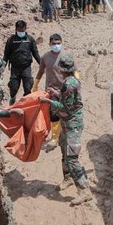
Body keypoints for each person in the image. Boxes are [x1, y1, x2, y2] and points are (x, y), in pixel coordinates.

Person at [39, 54, 92, 205]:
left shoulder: (69, 84)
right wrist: (55, 93)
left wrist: (48, 101)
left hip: (72, 125)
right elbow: (65, 98)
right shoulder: (70, 81)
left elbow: (64, 108)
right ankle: (68, 177)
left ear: (61, 70)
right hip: (67, 123)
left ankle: (84, 190)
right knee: (64, 149)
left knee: (72, 158)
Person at [34, 33, 68, 152]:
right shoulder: (45, 57)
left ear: (61, 43)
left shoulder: (66, 56)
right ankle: (54, 137)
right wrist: (35, 84)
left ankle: (64, 134)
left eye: (58, 43)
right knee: (53, 113)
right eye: (54, 44)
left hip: (65, 89)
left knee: (66, 112)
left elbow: (74, 71)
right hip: (51, 90)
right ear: (49, 44)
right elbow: (40, 71)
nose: (56, 46)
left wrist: (76, 83)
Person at [3, 20, 41, 105]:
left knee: (28, 87)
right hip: (15, 68)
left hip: (26, 67)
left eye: (23, 29)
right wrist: (2, 67)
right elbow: (6, 55)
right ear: (16, 29)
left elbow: (35, 53)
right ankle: (12, 98)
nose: (21, 31)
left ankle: (26, 104)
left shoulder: (30, 39)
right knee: (14, 87)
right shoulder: (11, 40)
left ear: (25, 28)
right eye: (19, 30)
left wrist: (41, 64)